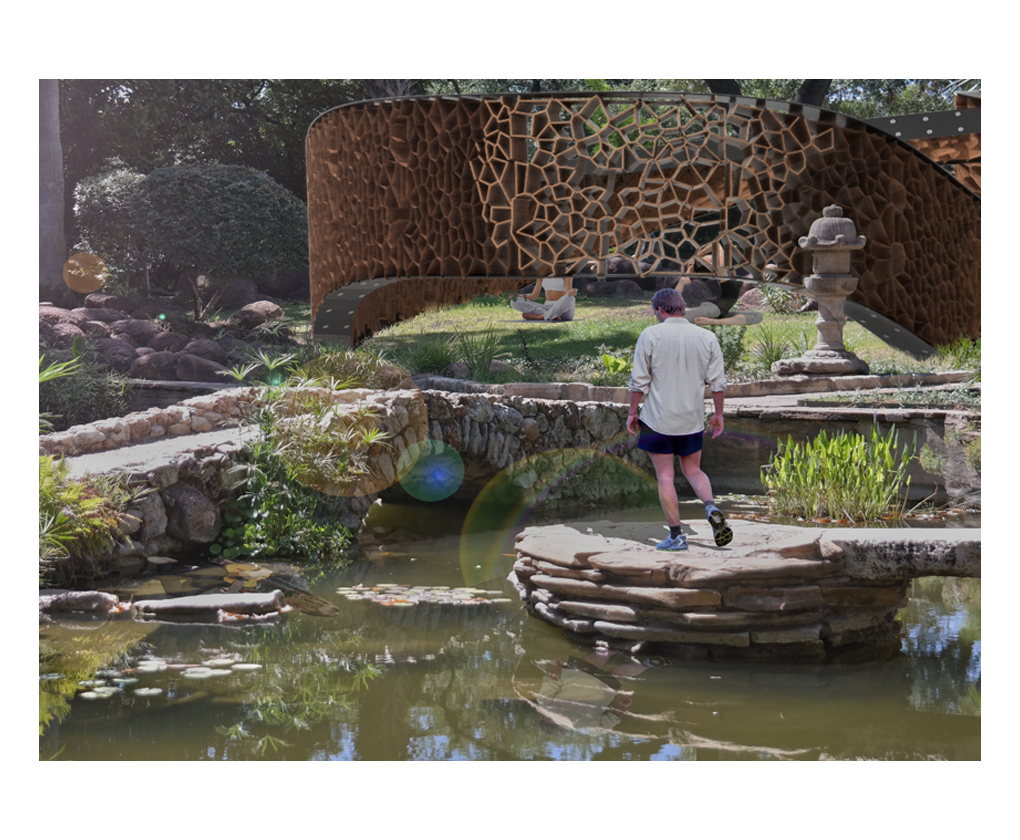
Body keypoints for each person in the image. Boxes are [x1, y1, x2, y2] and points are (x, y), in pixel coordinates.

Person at [627, 287, 733, 551]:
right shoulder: (706, 337)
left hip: (657, 418)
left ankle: (676, 535)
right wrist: (718, 414)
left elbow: (639, 381)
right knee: (693, 470)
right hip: (691, 419)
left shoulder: (651, 335)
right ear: (682, 308)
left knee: (665, 476)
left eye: (655, 311)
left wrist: (632, 413)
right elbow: (718, 383)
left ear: (660, 309)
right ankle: (710, 508)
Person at [675, 242, 765, 327]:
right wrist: (697, 257)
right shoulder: (720, 268)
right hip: (715, 307)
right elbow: (716, 244)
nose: (708, 256)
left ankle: (714, 321)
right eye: (706, 258)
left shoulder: (723, 270)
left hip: (721, 310)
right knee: (679, 318)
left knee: (758, 316)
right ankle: (714, 321)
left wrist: (697, 257)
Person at [510, 275, 577, 322]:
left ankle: (541, 317)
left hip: (562, 310)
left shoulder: (566, 272)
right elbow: (534, 295)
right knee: (514, 301)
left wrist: (570, 294)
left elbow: (568, 294)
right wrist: (517, 296)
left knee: (570, 298)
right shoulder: (542, 275)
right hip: (547, 308)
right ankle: (548, 315)